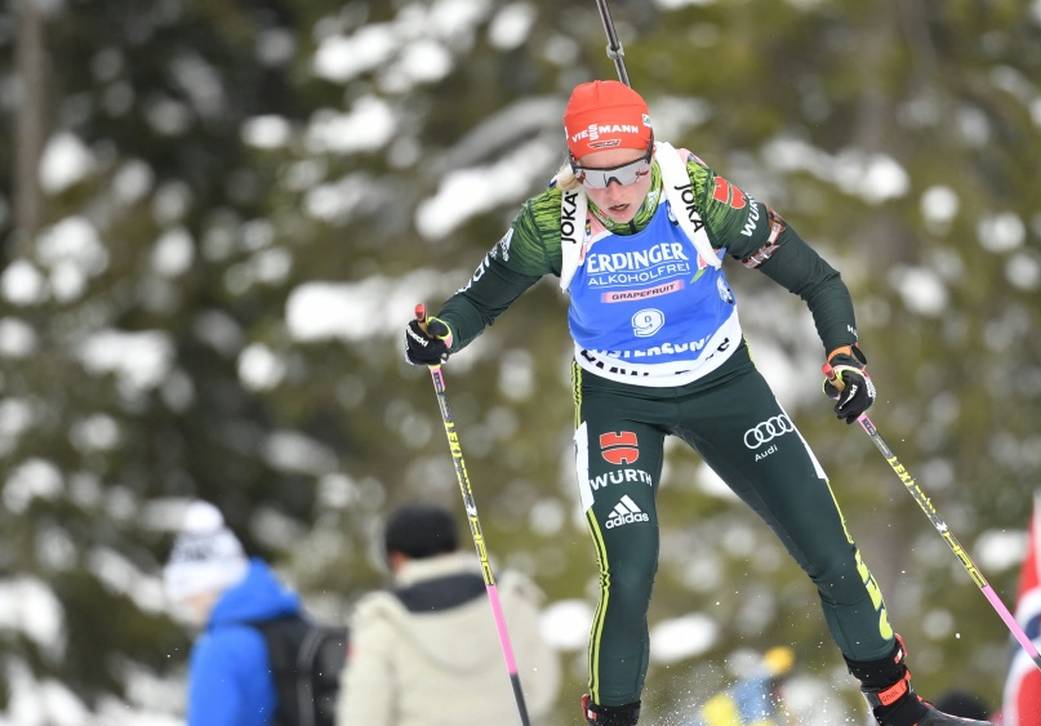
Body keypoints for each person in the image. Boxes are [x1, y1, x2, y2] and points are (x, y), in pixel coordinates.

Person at [403, 79, 989, 726]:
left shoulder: (699, 196)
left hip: (723, 387)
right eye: (597, 180)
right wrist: (442, 334)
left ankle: (900, 710)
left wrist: (844, 356)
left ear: (650, 155)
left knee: (828, 547)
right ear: (574, 172)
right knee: (630, 572)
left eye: (629, 173)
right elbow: (478, 301)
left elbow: (818, 279)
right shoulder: (550, 223)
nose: (617, 194)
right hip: (618, 399)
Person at [336, 503, 559, 725]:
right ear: (455, 545)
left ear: (395, 557)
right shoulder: (511, 597)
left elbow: (363, 715)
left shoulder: (383, 620)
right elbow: (541, 689)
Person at [164, 500, 302, 726]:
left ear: (206, 584)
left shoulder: (220, 648)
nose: (187, 603)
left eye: (188, 591)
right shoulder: (290, 622)